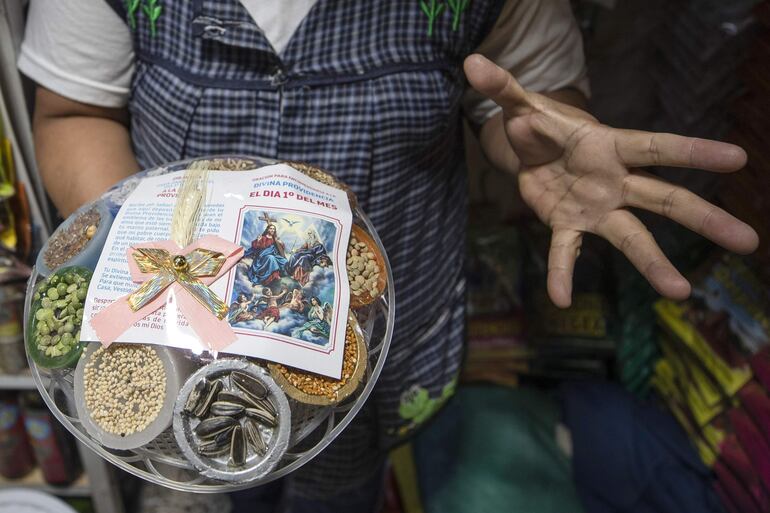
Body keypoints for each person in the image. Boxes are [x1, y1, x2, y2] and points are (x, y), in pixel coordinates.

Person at [20, 1, 758, 511]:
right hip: (180, 339)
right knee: (229, 480)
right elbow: (75, 111)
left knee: (343, 488)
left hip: (386, 338)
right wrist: (166, 268)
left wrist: (532, 137)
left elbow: (522, 102)